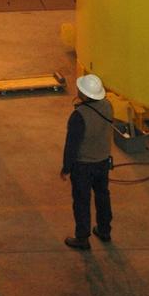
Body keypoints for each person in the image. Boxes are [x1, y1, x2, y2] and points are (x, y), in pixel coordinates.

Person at [60, 72, 114, 250]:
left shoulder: (79, 116)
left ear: (84, 94)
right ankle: (104, 230)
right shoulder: (108, 106)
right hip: (103, 161)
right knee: (102, 196)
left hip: (83, 166)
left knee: (82, 201)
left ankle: (82, 238)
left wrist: (66, 168)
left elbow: (72, 146)